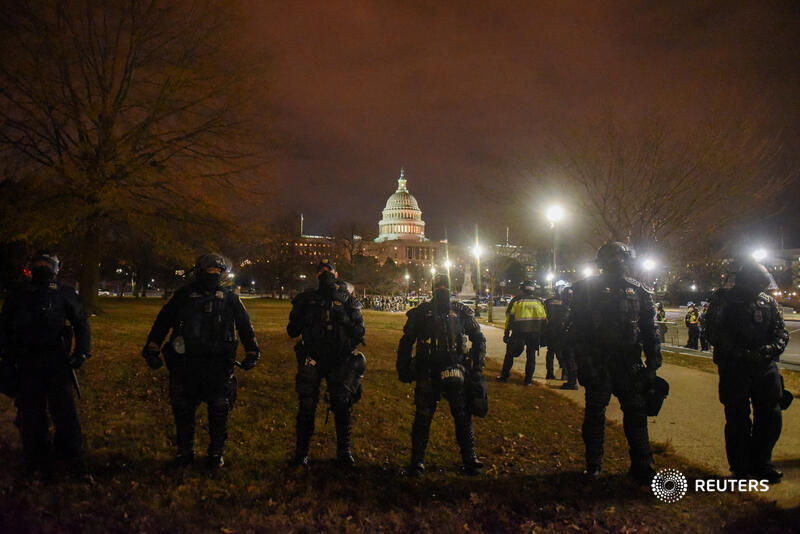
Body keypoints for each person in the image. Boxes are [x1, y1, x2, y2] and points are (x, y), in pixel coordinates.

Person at [142, 253, 260, 469]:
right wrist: (152, 347)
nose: (214, 275)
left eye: (218, 272)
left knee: (219, 410)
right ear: (199, 271)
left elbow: (245, 325)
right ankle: (185, 452)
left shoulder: (230, 299)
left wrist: (252, 351)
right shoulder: (184, 296)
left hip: (218, 365)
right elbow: (163, 322)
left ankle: (216, 453)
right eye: (210, 271)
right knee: (184, 411)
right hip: (186, 365)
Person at [567, 242, 662, 480]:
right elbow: (575, 330)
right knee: (596, 413)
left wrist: (653, 363)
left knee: (636, 414)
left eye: (622, 258)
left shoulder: (640, 291)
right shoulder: (584, 289)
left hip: (628, 363)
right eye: (615, 258)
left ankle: (642, 464)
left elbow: (650, 330)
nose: (618, 262)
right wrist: (581, 361)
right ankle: (594, 465)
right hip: (598, 360)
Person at [0, 251, 91, 472]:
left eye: (47, 265)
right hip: (26, 362)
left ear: (55, 269)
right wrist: (5, 358)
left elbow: (80, 323)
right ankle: (36, 452)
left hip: (57, 361)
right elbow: (4, 328)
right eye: (39, 264)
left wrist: (81, 352)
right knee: (31, 410)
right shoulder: (18, 294)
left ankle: (69, 450)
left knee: (64, 409)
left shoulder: (64, 293)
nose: (43, 268)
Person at [704, 261, 788, 483]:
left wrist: (767, 350)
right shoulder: (723, 299)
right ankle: (740, 466)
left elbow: (781, 333)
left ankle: (763, 463)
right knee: (737, 418)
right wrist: (738, 352)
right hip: (735, 367)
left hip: (765, 367)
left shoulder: (768, 302)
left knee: (770, 416)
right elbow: (712, 330)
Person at [396, 274, 487, 476]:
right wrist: (403, 367)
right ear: (434, 289)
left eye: (445, 286)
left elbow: (479, 338)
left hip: (456, 369)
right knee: (423, 417)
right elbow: (407, 340)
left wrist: (476, 366)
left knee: (462, 416)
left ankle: (470, 458)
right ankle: (417, 461)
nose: (443, 289)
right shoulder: (421, 313)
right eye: (440, 286)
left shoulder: (461, 311)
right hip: (427, 369)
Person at [287, 259, 365, 468]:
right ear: (316, 276)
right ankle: (301, 453)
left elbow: (359, 333)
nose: (325, 273)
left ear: (337, 274)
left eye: (329, 270)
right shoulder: (306, 300)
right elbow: (292, 330)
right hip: (313, 357)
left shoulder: (348, 301)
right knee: (307, 406)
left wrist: (343, 319)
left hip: (339, 359)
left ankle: (344, 452)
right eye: (322, 271)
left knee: (342, 405)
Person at [497, 280, 547, 385]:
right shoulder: (539, 301)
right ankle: (528, 380)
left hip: (518, 333)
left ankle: (504, 376)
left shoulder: (517, 300)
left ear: (522, 289)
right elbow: (544, 319)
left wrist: (506, 333)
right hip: (534, 334)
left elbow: (509, 317)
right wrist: (542, 335)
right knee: (531, 356)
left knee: (510, 354)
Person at [544, 285, 569, 380]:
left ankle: (549, 373)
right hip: (561, 331)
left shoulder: (548, 302)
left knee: (550, 352)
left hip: (550, 329)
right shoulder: (566, 302)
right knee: (562, 352)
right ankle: (564, 373)